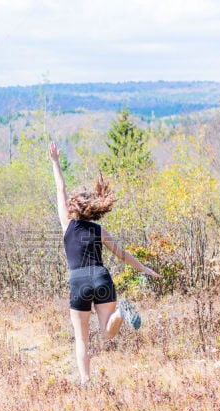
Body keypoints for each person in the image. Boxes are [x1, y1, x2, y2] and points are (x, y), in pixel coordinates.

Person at [49, 141, 161, 385]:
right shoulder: (99, 230)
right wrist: (142, 268)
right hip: (101, 277)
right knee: (107, 333)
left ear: (74, 207)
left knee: (82, 338)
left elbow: (60, 189)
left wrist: (55, 162)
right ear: (93, 210)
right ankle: (121, 311)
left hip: (78, 280)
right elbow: (121, 253)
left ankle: (86, 381)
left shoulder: (67, 224)